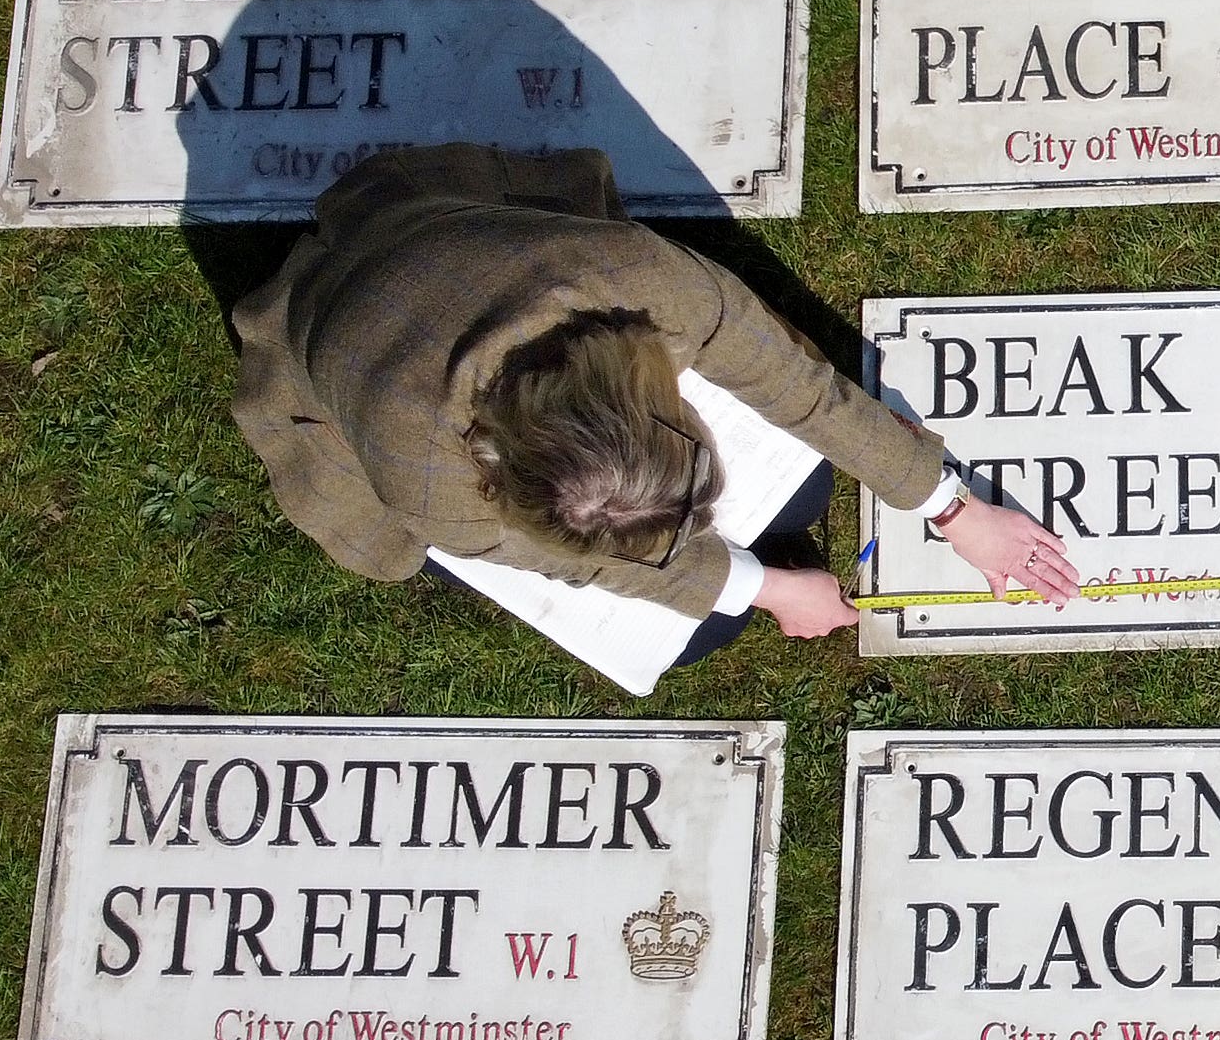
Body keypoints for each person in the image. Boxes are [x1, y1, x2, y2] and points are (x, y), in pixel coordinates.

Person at [228, 143, 1077, 659]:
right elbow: (586, 562)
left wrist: (950, 507)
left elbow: (799, 389)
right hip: (326, 348)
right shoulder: (439, 498)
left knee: (809, 491)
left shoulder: (637, 280)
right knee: (707, 626)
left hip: (431, 241)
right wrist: (769, 593)